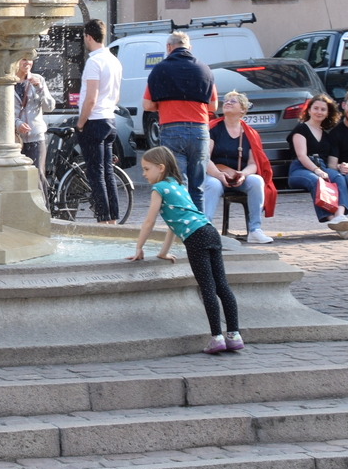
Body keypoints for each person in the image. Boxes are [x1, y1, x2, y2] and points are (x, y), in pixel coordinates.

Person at [128, 147, 243, 355]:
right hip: (210, 231)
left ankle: (217, 337)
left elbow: (149, 221)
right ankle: (234, 336)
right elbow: (174, 225)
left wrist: (139, 247)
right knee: (222, 286)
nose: (143, 173)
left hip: (196, 238)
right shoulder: (177, 185)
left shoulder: (159, 188)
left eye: (146, 169)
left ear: (160, 168)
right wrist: (163, 252)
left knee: (207, 287)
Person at [142, 31, 218, 213]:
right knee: (197, 187)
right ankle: (199, 228)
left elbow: (147, 104)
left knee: (179, 185)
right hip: (200, 131)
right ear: (189, 48)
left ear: (168, 47)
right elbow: (213, 105)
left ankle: (182, 227)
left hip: (172, 129)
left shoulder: (160, 69)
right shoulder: (204, 69)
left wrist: (164, 104)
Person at [202, 91, 277, 243]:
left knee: (256, 181)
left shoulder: (250, 134)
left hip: (237, 177)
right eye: (226, 101)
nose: (228, 103)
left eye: (233, 101)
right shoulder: (213, 129)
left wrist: (243, 174)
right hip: (214, 173)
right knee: (213, 184)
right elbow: (205, 158)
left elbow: (253, 164)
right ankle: (205, 230)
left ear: (243, 109)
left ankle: (254, 230)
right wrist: (218, 174)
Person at [286, 94, 348, 236]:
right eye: (316, 108)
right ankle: (332, 219)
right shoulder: (301, 130)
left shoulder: (327, 135)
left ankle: (340, 216)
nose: (319, 112)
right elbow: (301, 156)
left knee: (339, 178)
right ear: (309, 110)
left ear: (327, 113)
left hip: (323, 167)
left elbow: (331, 162)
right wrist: (316, 170)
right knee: (317, 181)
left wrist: (340, 166)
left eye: (323, 109)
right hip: (300, 170)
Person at [74, 19, 124, 223]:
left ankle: (103, 220)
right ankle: (113, 219)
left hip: (94, 121)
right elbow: (117, 96)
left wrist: (80, 123)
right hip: (110, 119)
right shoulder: (113, 60)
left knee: (95, 174)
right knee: (108, 173)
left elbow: (91, 98)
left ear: (88, 36)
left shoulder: (94, 62)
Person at [13, 56, 54, 172]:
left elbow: (49, 107)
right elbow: (3, 110)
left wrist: (39, 88)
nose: (28, 63)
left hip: (36, 137)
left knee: (37, 174)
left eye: (30, 59)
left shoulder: (38, 79)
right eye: (23, 59)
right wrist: (16, 123)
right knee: (18, 175)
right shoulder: (7, 82)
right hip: (14, 139)